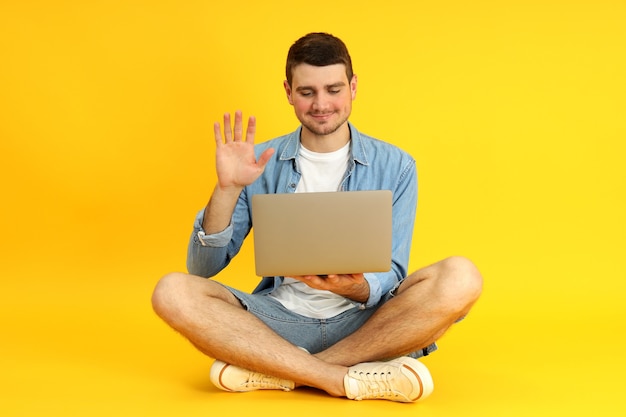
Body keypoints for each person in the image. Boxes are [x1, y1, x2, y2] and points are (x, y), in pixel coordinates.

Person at [152, 32, 482, 403]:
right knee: (171, 291)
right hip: (278, 321)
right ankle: (341, 377)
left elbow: (393, 270)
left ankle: (283, 370)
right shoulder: (255, 162)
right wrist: (227, 189)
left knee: (462, 276)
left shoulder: (397, 165)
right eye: (307, 92)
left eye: (333, 89)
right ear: (289, 92)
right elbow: (202, 268)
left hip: (366, 323)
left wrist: (354, 287)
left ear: (353, 87)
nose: (321, 104)